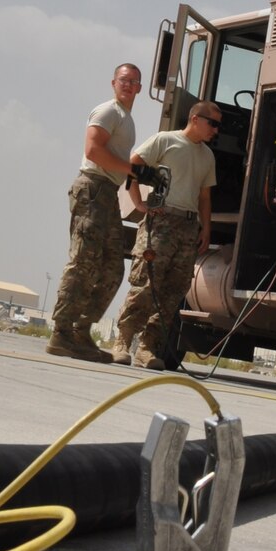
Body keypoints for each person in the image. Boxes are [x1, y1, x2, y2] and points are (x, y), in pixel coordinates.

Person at [111, 102, 220, 370]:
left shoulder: (207, 156)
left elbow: (205, 196)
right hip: (161, 223)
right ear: (195, 119)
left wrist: (205, 228)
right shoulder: (165, 141)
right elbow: (134, 165)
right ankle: (122, 342)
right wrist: (138, 203)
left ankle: (148, 348)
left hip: (187, 227)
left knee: (173, 291)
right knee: (146, 284)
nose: (215, 131)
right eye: (212, 124)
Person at [46, 63, 143, 362]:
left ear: (140, 88)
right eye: (123, 80)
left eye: (133, 82)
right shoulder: (107, 112)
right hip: (92, 188)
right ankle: (61, 332)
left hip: (108, 193)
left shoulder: (126, 119)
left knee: (113, 267)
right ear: (113, 83)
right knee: (83, 261)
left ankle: (80, 331)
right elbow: (93, 151)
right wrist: (131, 169)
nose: (128, 85)